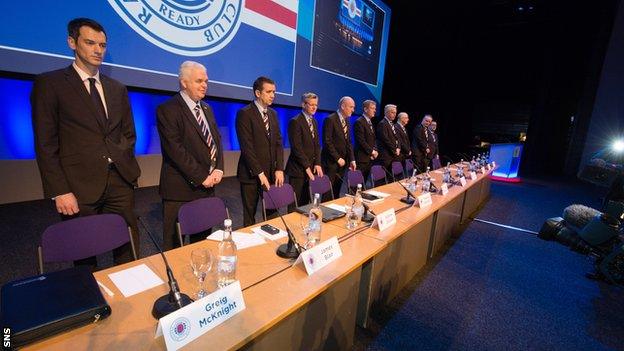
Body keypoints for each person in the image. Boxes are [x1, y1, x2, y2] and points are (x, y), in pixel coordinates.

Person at [31, 18, 141, 265]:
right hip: (77, 186)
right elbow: (45, 143)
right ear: (72, 42)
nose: (98, 50)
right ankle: (92, 302)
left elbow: (129, 133)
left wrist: (122, 161)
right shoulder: (50, 84)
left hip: (120, 181)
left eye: (102, 45)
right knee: (84, 254)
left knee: (128, 249)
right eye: (90, 43)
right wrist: (59, 190)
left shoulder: (117, 88)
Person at [157, 61, 224, 250]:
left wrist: (218, 167)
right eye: (199, 81)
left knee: (202, 244)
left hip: (207, 188)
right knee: (175, 247)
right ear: (184, 82)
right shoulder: (167, 109)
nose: (205, 85)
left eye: (206, 81)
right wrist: (202, 177)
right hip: (180, 189)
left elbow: (216, 141)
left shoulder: (207, 108)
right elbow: (175, 150)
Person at [236, 76, 284, 226]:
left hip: (271, 173)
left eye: (274, 92)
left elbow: (278, 143)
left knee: (272, 213)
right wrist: (259, 172)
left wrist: (279, 168)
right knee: (249, 215)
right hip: (250, 175)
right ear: (258, 93)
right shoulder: (245, 113)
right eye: (268, 92)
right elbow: (247, 147)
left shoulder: (273, 114)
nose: (272, 95)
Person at [285, 93, 323, 207]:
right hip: (298, 170)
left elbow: (317, 145)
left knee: (305, 204)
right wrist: (307, 167)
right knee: (294, 204)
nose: (314, 107)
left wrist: (317, 163)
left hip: (311, 169)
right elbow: (297, 148)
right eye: (311, 104)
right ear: (303, 104)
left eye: (315, 105)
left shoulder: (314, 122)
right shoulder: (295, 122)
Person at [322, 96, 356, 197]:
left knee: (337, 191)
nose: (353, 110)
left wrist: (352, 159)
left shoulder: (347, 121)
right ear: (343, 106)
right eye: (351, 107)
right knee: (328, 193)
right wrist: (337, 158)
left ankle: (335, 212)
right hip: (331, 163)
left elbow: (349, 142)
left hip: (343, 163)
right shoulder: (330, 119)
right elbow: (327, 142)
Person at [354, 100, 378, 185]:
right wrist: (372, 151)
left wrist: (375, 150)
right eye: (372, 108)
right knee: (356, 184)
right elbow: (361, 141)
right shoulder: (359, 122)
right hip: (361, 159)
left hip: (369, 159)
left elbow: (374, 139)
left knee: (363, 184)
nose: (375, 110)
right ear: (365, 109)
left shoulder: (370, 122)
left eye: (375, 108)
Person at [376, 104, 401, 173]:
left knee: (391, 178)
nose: (395, 114)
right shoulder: (382, 124)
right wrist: (394, 150)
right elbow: (385, 140)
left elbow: (397, 138)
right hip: (385, 156)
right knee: (382, 179)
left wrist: (398, 147)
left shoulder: (392, 124)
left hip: (393, 155)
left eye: (395, 113)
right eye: (393, 112)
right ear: (386, 112)